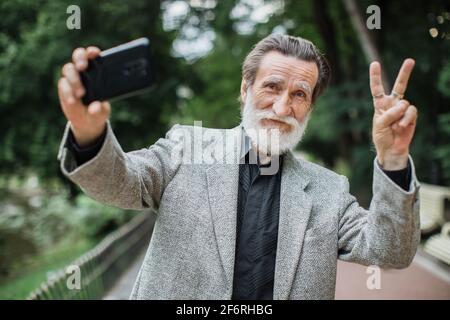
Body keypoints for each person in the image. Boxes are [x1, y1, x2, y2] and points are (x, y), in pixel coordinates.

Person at [56, 34, 420, 300]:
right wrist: (89, 134)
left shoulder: (330, 190)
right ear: (245, 90)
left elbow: (390, 251)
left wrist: (392, 160)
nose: (281, 108)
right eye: (272, 87)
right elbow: (121, 183)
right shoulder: (186, 147)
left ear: (310, 107)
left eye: (298, 95)